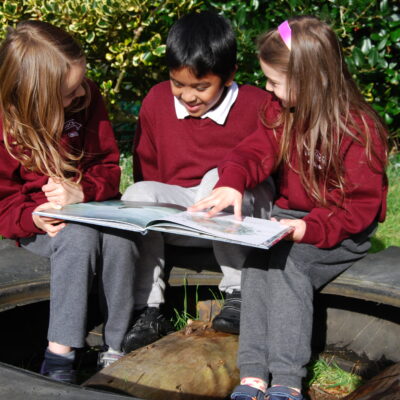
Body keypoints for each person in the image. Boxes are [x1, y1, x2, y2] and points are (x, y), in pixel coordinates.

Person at [189, 16, 388, 400]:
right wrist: (231, 180)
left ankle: (285, 380)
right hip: (294, 220)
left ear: (311, 79)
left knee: (288, 264)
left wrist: (307, 230)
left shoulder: (359, 130)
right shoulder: (282, 114)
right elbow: (252, 151)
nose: (267, 88)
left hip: (339, 230)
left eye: (275, 81)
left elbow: (359, 208)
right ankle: (252, 375)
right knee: (258, 260)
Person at [121, 10, 275, 351]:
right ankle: (148, 308)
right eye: (178, 83)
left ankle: (238, 293)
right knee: (138, 191)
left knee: (215, 179)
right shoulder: (156, 101)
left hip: (241, 217)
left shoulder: (258, 104)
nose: (188, 96)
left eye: (201, 87)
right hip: (185, 217)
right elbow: (146, 165)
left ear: (230, 75)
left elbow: (272, 163)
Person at [0, 21, 138, 383]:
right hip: (42, 222)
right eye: (69, 92)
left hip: (92, 206)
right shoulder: (6, 126)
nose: (80, 96)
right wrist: (33, 217)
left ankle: (116, 347)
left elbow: (108, 166)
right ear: (35, 95)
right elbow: (3, 204)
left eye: (82, 84)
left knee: (121, 239)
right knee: (78, 238)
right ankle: (59, 356)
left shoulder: (86, 97)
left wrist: (84, 191)